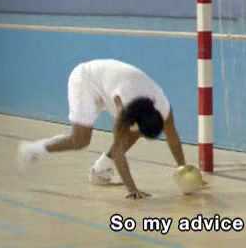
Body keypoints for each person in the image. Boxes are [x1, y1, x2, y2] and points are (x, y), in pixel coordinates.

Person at [18, 59, 187, 199]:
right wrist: (132, 189)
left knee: (135, 133)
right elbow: (119, 149)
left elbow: (172, 136)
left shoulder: (162, 105)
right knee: (80, 141)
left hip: (110, 85)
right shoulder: (124, 107)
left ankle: (100, 171)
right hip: (86, 80)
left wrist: (184, 171)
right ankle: (33, 149)